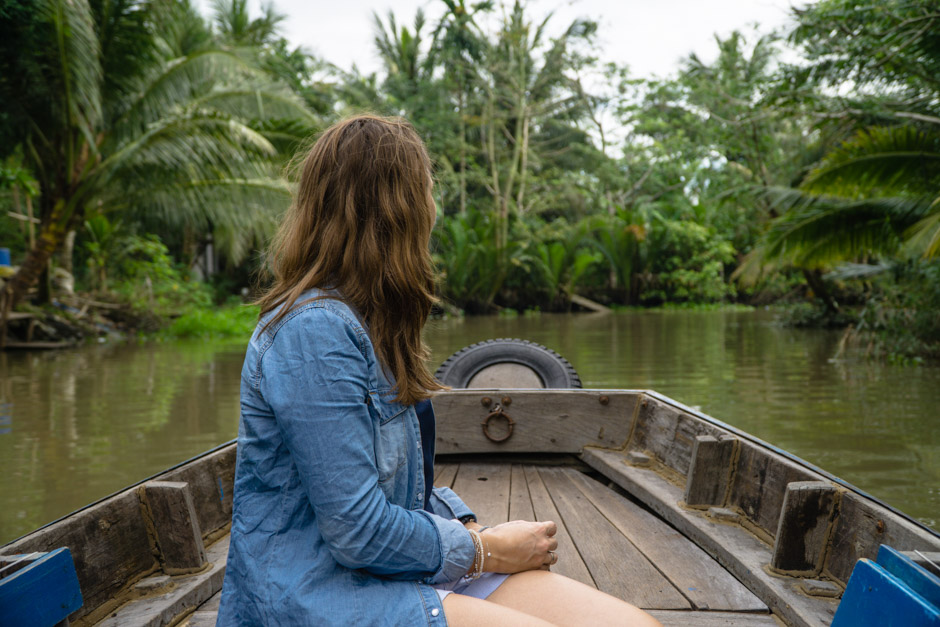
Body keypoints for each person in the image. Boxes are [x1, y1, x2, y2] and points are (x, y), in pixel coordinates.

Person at [216, 114, 662, 627]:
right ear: (397, 211)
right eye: (426, 192)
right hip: (321, 593)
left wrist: (460, 519)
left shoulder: (374, 324)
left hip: (395, 570)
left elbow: (395, 487)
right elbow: (357, 530)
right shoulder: (313, 333)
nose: (433, 209)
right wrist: (485, 549)